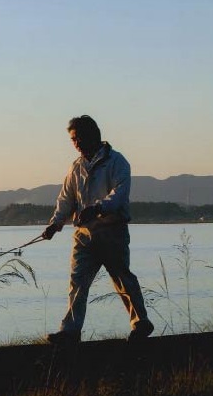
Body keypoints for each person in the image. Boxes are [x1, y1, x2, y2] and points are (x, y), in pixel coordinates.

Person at [41, 115, 154, 344]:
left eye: (78, 138)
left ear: (93, 135)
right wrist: (56, 223)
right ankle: (70, 331)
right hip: (83, 235)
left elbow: (120, 194)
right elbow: (66, 199)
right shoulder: (76, 167)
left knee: (122, 278)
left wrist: (98, 208)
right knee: (77, 282)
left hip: (112, 231)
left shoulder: (117, 161)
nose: (76, 143)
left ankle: (141, 323)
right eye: (73, 139)